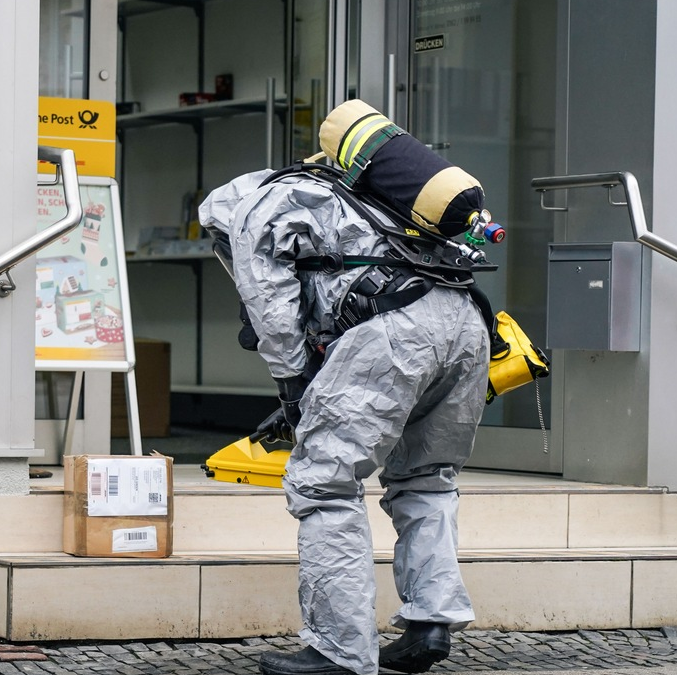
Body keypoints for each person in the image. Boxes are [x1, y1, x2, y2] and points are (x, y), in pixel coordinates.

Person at [200, 167, 491, 675]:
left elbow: (271, 302)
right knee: (428, 478)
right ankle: (430, 621)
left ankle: (338, 650)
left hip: (396, 329)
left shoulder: (254, 209)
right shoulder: (369, 200)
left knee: (324, 485)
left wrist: (292, 380)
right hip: (466, 321)